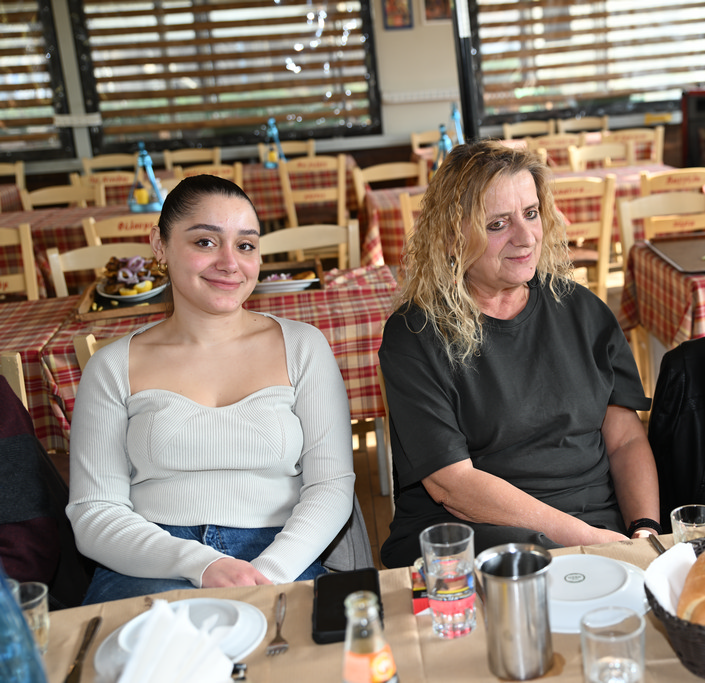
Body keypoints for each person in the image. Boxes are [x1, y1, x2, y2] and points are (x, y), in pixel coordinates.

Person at [67, 175, 356, 604]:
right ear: (160, 246)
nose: (229, 263)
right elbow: (94, 511)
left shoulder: (303, 346)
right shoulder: (111, 366)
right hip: (149, 557)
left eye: (245, 245)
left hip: (282, 552)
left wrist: (266, 575)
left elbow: (331, 486)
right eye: (205, 242)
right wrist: (201, 564)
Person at [377, 140, 659, 569]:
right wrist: (589, 542)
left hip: (600, 529)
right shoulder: (415, 335)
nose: (526, 238)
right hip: (479, 535)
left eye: (531, 213)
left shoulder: (583, 311)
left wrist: (644, 530)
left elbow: (625, 440)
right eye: (497, 224)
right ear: (453, 236)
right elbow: (453, 485)